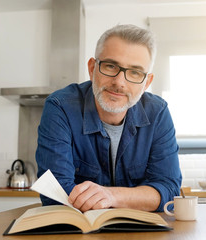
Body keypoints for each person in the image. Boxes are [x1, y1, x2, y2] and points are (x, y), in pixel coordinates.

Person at [36, 24, 182, 212]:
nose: (119, 82)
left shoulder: (158, 113)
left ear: (147, 82)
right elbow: (55, 194)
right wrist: (139, 197)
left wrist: (111, 196)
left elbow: (169, 190)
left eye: (135, 72)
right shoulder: (60, 107)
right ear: (92, 68)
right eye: (111, 66)